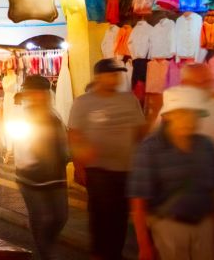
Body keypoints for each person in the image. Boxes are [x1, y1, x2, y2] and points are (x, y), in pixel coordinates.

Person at [129, 86, 214, 260]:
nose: (189, 120)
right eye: (182, 113)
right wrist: (144, 246)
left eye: (193, 114)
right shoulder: (150, 148)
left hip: (205, 227)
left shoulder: (207, 145)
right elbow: (138, 202)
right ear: (167, 117)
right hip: (169, 229)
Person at [68, 59, 146, 260]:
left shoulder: (129, 99)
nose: (116, 78)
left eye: (118, 74)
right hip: (98, 170)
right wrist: (79, 165)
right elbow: (74, 134)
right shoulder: (83, 102)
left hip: (126, 169)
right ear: (99, 77)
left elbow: (140, 131)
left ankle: (115, 254)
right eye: (111, 74)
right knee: (101, 219)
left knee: (120, 218)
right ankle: (100, 254)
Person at [10, 76, 70, 260]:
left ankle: (47, 244)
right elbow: (20, 146)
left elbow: (63, 140)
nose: (37, 96)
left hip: (56, 175)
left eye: (41, 92)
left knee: (61, 216)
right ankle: (47, 253)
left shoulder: (54, 115)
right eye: (32, 92)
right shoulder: (22, 116)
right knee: (42, 218)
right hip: (30, 177)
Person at [178, 64, 214, 157]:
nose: (203, 87)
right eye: (196, 83)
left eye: (207, 81)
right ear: (184, 84)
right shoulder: (171, 112)